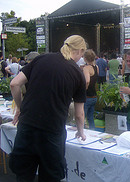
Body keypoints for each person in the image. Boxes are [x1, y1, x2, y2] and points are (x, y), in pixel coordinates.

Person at [9, 35, 87, 182]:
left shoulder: (41, 59)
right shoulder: (77, 73)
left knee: (23, 175)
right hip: (52, 133)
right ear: (80, 50)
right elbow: (79, 114)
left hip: (27, 128)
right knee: (50, 177)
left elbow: (14, 84)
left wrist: (20, 108)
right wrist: (80, 132)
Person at [83, 49, 99, 130]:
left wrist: (83, 89)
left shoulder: (86, 68)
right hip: (94, 96)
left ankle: (80, 134)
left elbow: (87, 81)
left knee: (82, 118)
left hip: (87, 96)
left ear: (85, 58)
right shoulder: (96, 67)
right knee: (90, 118)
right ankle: (93, 133)